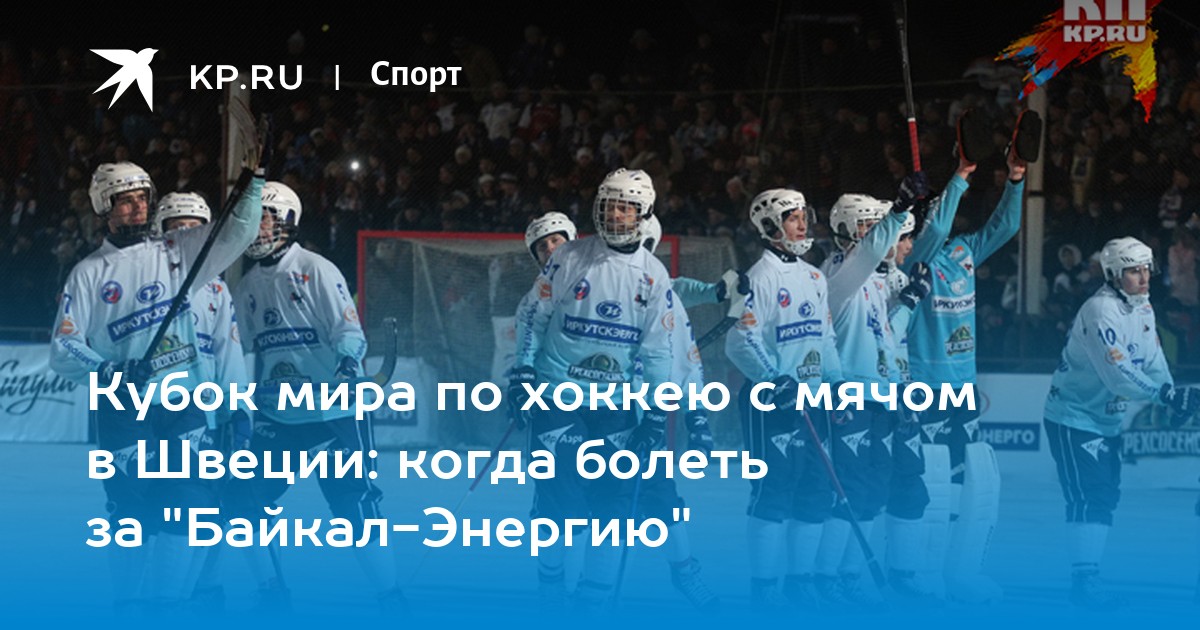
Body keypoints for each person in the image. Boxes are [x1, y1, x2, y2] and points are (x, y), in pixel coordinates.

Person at [49, 161, 264, 611]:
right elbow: (64, 346)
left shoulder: (177, 250)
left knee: (189, 504)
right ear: (103, 208)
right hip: (123, 409)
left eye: (142, 199)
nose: (137, 208)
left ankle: (167, 608)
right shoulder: (87, 273)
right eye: (125, 201)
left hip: (183, 403)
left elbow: (238, 234)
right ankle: (128, 607)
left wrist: (253, 184)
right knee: (131, 512)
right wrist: (108, 371)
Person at [228, 181, 405, 611]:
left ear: (287, 220)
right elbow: (240, 349)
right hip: (279, 419)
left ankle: (391, 597)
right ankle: (273, 594)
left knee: (352, 505)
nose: (256, 227)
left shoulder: (314, 268)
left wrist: (346, 365)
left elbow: (348, 330)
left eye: (265, 217)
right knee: (241, 499)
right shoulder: (247, 285)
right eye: (252, 219)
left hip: (334, 414)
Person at [512, 168, 674, 611]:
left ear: (643, 214)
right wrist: (522, 371)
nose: (616, 214)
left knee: (612, 507)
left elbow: (659, 350)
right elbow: (533, 316)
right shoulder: (569, 257)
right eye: (609, 205)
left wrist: (656, 412)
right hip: (557, 396)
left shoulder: (653, 274)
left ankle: (593, 600)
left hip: (615, 405)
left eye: (626, 207)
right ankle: (551, 589)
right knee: (560, 505)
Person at [1043, 236, 1199, 609]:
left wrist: (1171, 396)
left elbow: (1154, 362)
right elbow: (1118, 373)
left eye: (1147, 269)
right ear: (1114, 274)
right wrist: (1164, 396)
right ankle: (1084, 583)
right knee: (1089, 496)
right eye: (1133, 271)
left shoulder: (1142, 308)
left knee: (1104, 496)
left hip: (1106, 419)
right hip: (1074, 417)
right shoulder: (1101, 310)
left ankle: (1087, 578)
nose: (1144, 278)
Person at [901, 149, 1024, 603]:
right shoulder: (915, 258)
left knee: (972, 477)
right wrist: (960, 176)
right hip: (925, 386)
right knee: (933, 478)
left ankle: (961, 571)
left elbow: (1006, 227)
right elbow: (934, 228)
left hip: (963, 386)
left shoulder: (964, 250)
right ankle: (925, 570)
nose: (944, 218)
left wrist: (1015, 180)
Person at [725, 188, 843, 608]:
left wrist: (837, 384)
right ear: (771, 227)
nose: (802, 225)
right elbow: (740, 341)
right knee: (774, 491)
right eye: (793, 218)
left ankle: (800, 581)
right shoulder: (761, 276)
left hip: (813, 400)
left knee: (815, 490)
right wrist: (774, 380)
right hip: (772, 403)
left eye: (803, 216)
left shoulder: (814, 277)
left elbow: (825, 338)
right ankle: (765, 589)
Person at [816, 171, 925, 607]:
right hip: (849, 394)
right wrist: (900, 208)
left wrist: (909, 302)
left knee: (876, 489)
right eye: (867, 226)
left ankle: (847, 575)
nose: (879, 235)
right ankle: (825, 576)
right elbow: (871, 254)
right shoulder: (840, 273)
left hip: (881, 393)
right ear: (847, 230)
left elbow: (886, 337)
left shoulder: (876, 277)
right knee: (851, 489)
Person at [151, 192, 252, 608]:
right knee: (164, 509)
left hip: (202, 416)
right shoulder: (146, 282)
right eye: (177, 228)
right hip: (153, 411)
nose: (186, 236)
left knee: (204, 506)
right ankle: (159, 600)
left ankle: (193, 593)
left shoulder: (216, 289)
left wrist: (237, 411)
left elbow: (228, 353)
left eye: (195, 228)